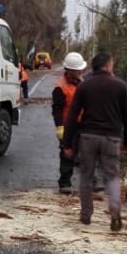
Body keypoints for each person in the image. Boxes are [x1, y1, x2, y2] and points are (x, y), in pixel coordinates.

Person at [62, 52, 127, 231]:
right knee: (111, 176)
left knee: (86, 175)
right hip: (112, 138)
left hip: (88, 137)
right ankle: (115, 209)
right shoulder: (120, 86)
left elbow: (72, 116)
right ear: (108, 66)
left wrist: (67, 143)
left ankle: (86, 214)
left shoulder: (84, 86)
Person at [52, 51, 86, 193]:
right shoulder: (60, 88)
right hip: (68, 126)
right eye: (77, 70)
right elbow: (57, 109)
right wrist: (60, 126)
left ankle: (90, 182)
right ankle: (65, 183)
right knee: (67, 153)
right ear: (69, 70)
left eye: (80, 70)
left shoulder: (82, 83)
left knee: (86, 153)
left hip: (83, 125)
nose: (80, 72)